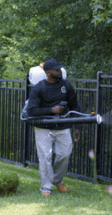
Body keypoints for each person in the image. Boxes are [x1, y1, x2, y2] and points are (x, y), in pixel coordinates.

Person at [27, 58, 81, 196]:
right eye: (56, 70)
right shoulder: (39, 88)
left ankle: (57, 180)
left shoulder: (66, 85)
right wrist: (51, 110)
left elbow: (74, 106)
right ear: (48, 73)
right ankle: (46, 188)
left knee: (65, 154)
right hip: (43, 128)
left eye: (59, 69)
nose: (59, 72)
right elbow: (31, 111)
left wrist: (77, 127)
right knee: (45, 157)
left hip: (63, 126)